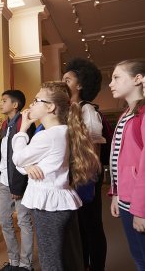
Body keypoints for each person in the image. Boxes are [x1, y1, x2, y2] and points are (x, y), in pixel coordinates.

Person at [12, 82, 100, 271]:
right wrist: (28, 166)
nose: (31, 104)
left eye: (36, 100)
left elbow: (17, 158)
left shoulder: (47, 136)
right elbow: (24, 164)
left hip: (49, 206)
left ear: (50, 107)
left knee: (50, 261)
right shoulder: (62, 132)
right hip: (59, 202)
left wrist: (21, 130)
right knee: (63, 257)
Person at [62, 58, 107, 271]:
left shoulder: (87, 110)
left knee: (91, 226)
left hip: (85, 176)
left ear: (80, 85)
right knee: (76, 227)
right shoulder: (64, 109)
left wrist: (88, 176)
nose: (63, 83)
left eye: (67, 79)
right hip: (68, 177)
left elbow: (94, 149)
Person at [108, 59, 145, 270]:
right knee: (137, 256)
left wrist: (140, 209)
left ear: (137, 79)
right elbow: (118, 159)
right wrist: (116, 193)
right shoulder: (125, 115)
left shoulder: (142, 114)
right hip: (126, 199)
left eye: (116, 77)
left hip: (139, 203)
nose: (111, 83)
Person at [0, 90, 35, 271]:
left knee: (24, 221)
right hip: (4, 181)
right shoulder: (5, 125)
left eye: (4, 101)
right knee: (4, 221)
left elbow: (25, 158)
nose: (1, 103)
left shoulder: (25, 124)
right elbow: (3, 156)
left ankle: (26, 265)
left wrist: (17, 186)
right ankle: (14, 262)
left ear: (15, 105)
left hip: (20, 183)